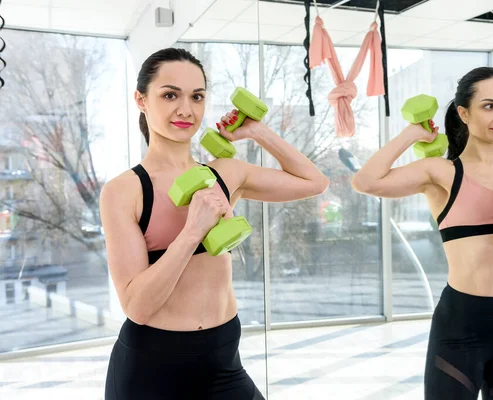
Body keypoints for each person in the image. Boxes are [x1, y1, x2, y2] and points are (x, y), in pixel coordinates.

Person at [100, 47, 329, 400]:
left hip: (224, 359)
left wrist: (257, 132)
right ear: (141, 100)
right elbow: (137, 306)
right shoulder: (124, 191)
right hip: (153, 369)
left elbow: (314, 182)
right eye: (170, 95)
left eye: (197, 96)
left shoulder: (225, 173)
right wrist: (193, 231)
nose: (185, 109)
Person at [352, 67, 493, 400]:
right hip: (461, 322)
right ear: (464, 112)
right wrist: (412, 134)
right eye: (489, 106)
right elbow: (365, 181)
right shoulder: (441, 172)